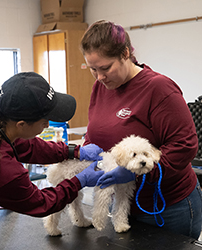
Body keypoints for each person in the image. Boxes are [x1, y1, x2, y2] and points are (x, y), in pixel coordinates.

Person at [0, 72, 104, 249]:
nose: (48, 125)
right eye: (45, 120)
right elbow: (42, 202)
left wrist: (74, 151)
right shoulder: (5, 172)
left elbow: (30, 147)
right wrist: (79, 181)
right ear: (21, 125)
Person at [80, 20, 202, 239]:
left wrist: (135, 172)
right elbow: (94, 132)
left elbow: (185, 146)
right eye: (93, 69)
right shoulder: (101, 86)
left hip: (166, 207)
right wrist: (88, 157)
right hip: (120, 205)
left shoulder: (158, 89)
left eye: (105, 68)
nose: (99, 77)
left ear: (125, 53)